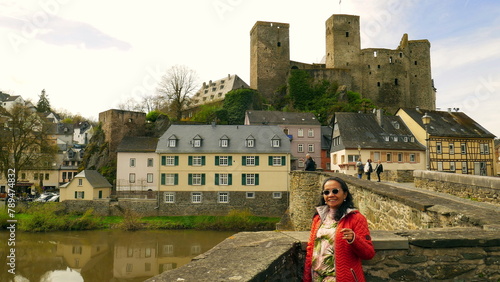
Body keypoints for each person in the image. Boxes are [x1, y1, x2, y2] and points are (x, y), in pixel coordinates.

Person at [303, 177, 375, 282]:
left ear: (345, 194)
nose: (331, 195)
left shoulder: (356, 218)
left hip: (342, 278)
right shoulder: (318, 218)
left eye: (335, 191)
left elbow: (369, 254)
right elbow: (311, 250)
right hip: (317, 278)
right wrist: (307, 277)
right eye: (326, 192)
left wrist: (354, 239)